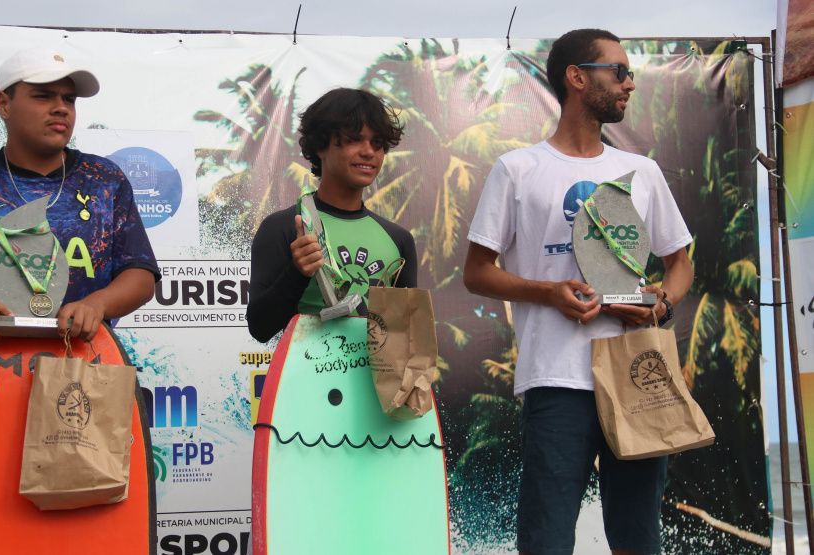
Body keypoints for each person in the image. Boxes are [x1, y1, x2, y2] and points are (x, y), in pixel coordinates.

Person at [463, 29, 694, 555]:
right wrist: (549, 293)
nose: (629, 83)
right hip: (556, 377)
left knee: (637, 535)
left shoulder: (642, 171)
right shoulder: (518, 169)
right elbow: (477, 273)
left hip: (637, 374)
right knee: (546, 537)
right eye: (619, 70)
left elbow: (679, 264)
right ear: (577, 77)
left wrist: (660, 304)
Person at [0, 46, 159, 367]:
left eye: (69, 99)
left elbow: (140, 274)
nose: (61, 108)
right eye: (43, 96)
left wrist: (98, 304)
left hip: (84, 379)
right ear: (4, 104)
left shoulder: (105, 179)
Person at [246, 88, 417, 342]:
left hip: (375, 383)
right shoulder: (283, 228)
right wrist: (297, 272)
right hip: (307, 380)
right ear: (321, 146)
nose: (369, 152)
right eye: (355, 139)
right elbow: (260, 329)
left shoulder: (399, 239)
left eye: (377, 143)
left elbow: (407, 337)